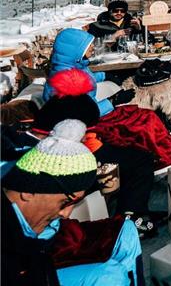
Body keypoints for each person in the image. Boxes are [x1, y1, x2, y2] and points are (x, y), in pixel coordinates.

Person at [2, 119, 144, 285]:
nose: (66, 213)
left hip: (46, 244)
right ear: (28, 191)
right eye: (65, 202)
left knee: (125, 231)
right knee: (108, 276)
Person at [43, 29, 133, 117]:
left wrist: (104, 76)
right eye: (88, 45)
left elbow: (86, 78)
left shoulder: (73, 66)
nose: (92, 47)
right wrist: (113, 101)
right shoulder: (66, 80)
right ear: (76, 50)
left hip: (91, 109)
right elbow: (81, 114)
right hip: (82, 122)